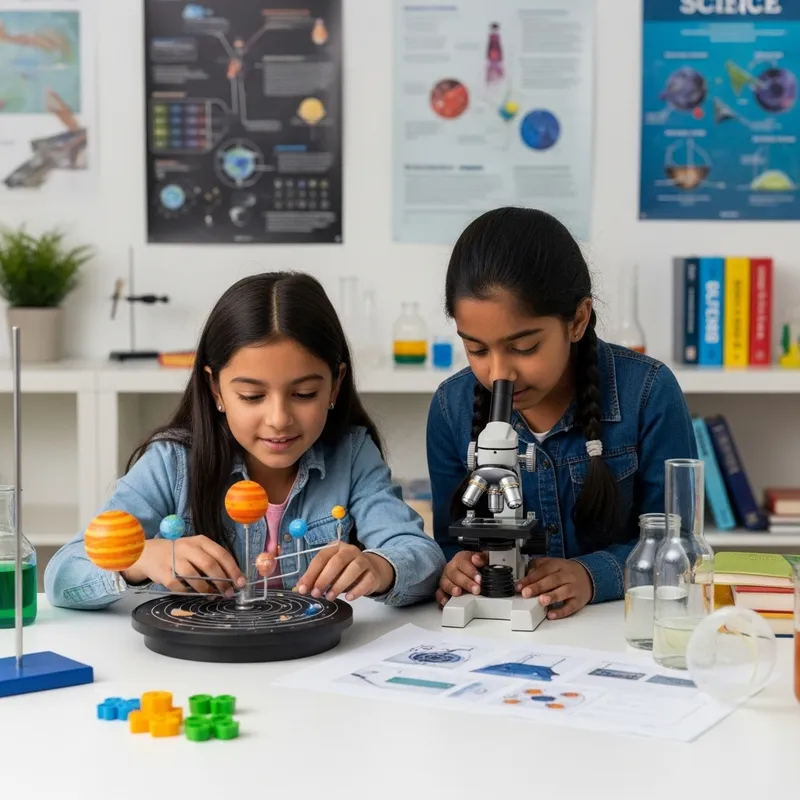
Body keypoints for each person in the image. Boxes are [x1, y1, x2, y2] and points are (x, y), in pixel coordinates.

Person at [46, 272, 445, 609]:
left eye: (304, 393)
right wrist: (138, 559)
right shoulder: (172, 463)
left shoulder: (352, 454)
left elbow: (420, 554)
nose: (278, 419)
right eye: (252, 396)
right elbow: (63, 576)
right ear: (215, 389)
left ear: (336, 384)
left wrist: (380, 567)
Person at [426, 207, 697, 620]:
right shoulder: (451, 407)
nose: (500, 374)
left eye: (524, 347)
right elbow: (450, 542)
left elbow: (680, 547)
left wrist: (592, 577)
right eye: (477, 349)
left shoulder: (648, 393)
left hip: (614, 628)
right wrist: (457, 570)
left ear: (577, 320)